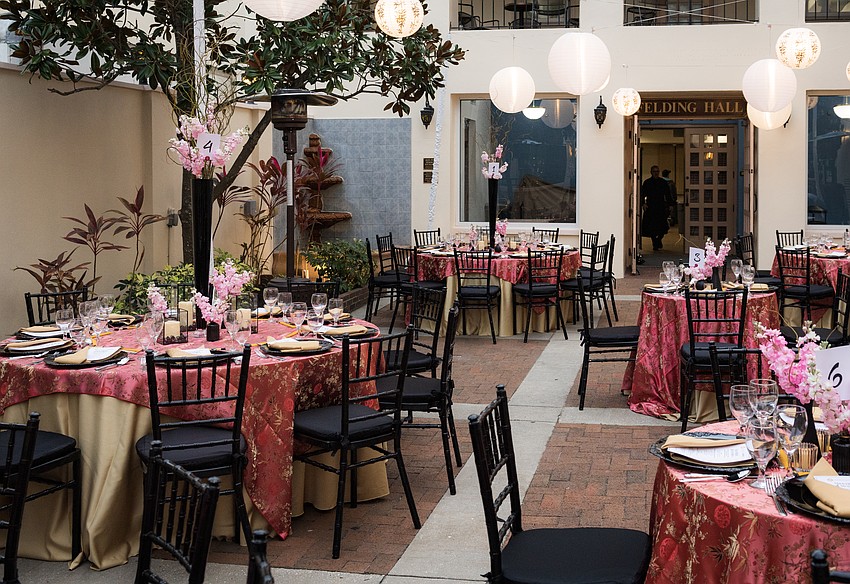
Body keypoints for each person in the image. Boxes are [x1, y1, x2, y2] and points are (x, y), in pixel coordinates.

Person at [641, 165, 671, 251]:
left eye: (657, 171)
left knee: (662, 227)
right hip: (651, 207)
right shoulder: (647, 182)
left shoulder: (663, 182)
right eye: (654, 171)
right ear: (651, 172)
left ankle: (658, 240)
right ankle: (655, 242)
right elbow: (642, 194)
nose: (656, 173)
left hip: (661, 207)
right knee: (651, 227)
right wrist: (643, 203)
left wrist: (670, 205)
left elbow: (667, 194)